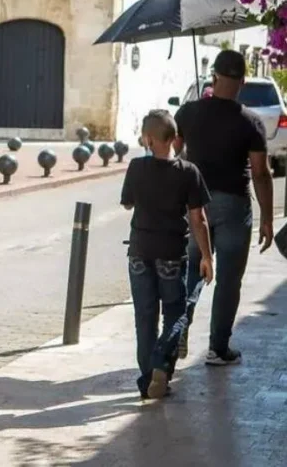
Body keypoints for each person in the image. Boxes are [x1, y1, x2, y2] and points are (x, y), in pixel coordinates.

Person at [173, 50, 274, 366]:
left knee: (191, 271)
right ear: (242, 82)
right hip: (233, 203)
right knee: (229, 279)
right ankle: (218, 348)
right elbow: (260, 172)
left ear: (213, 77)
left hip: (195, 205)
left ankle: (177, 335)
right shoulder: (250, 122)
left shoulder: (188, 113)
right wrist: (267, 219)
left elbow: (177, 152)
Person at [121, 110, 213, 399]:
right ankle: (162, 362)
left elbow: (127, 204)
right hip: (172, 253)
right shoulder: (189, 172)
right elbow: (198, 219)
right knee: (175, 313)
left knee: (144, 315)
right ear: (175, 139)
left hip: (139, 251)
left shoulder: (136, 167)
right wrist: (207, 257)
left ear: (147, 139)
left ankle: (147, 378)